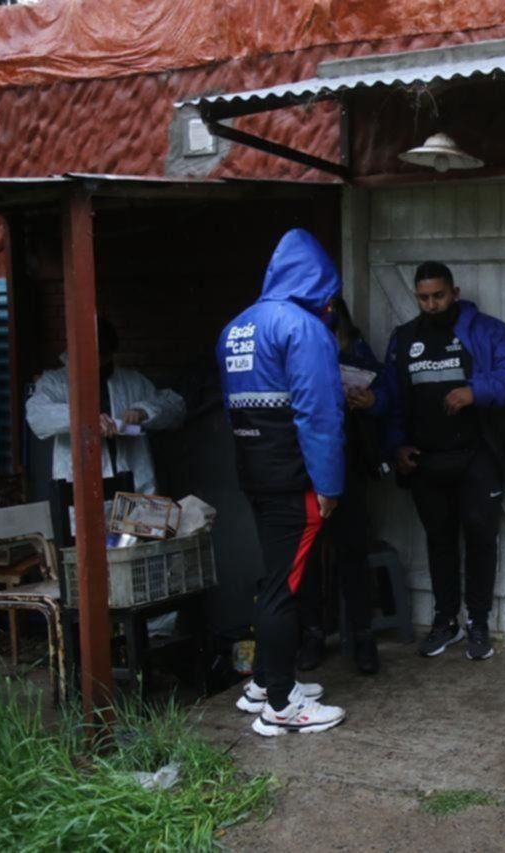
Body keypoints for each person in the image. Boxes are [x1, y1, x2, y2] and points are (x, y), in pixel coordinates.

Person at [218, 228, 347, 737]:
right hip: (295, 477)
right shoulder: (303, 328)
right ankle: (280, 705)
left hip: (254, 472)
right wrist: (329, 484)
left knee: (275, 576)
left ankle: (263, 682)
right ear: (318, 281)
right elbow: (320, 413)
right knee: (284, 587)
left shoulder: (236, 327)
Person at [380, 261, 505, 662]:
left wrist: (475, 391)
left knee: (481, 537)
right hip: (426, 460)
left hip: (477, 455)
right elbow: (393, 400)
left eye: (439, 295)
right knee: (439, 540)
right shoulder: (404, 339)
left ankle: (478, 623)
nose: (431, 304)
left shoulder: (486, 331)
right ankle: (445, 621)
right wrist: (397, 445)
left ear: (455, 292)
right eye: (423, 298)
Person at [26, 317, 185, 546]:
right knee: (91, 557)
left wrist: (144, 410)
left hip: (136, 489)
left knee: (142, 556)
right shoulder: (56, 382)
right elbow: (37, 416)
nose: (99, 362)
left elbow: (176, 408)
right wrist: (83, 418)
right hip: (84, 491)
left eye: (104, 356)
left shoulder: (131, 381)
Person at [295, 294, 386, 676]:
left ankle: (363, 639)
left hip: (349, 464)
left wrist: (371, 401)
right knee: (308, 557)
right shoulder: (295, 346)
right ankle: (313, 635)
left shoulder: (358, 349)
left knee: (352, 553)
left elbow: (387, 394)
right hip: (305, 466)